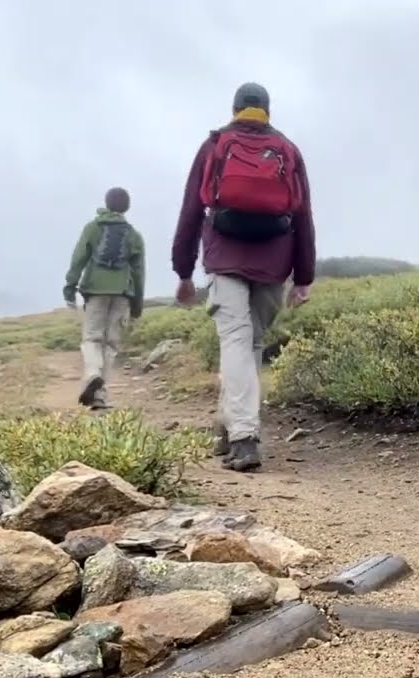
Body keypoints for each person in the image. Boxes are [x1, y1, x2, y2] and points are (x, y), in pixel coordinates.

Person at [171, 82, 316, 472]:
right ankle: (230, 425)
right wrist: (304, 277)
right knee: (249, 344)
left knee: (236, 342)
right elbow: (303, 217)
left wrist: (184, 271)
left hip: (226, 259)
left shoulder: (215, 145)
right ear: (268, 110)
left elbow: (190, 212)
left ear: (234, 108)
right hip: (273, 262)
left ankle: (243, 437)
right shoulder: (287, 149)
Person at [63, 187, 146, 410]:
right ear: (127, 207)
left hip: (95, 291)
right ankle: (99, 396)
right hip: (122, 295)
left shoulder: (92, 228)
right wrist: (137, 304)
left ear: (106, 203)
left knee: (92, 338)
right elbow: (139, 272)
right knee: (110, 343)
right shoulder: (134, 235)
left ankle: (92, 374)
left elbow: (79, 258)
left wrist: (70, 286)